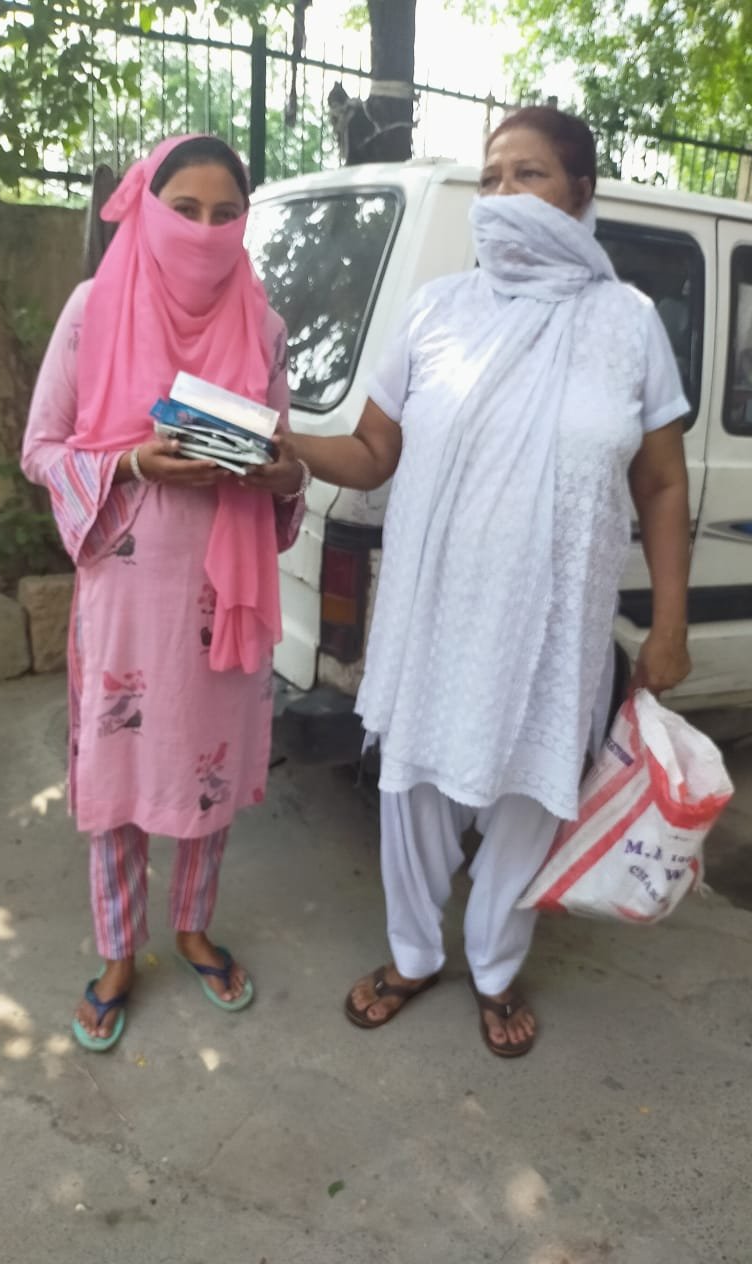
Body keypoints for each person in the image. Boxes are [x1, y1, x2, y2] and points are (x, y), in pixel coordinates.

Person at [255, 107, 692, 1058]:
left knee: (532, 797)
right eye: (490, 177)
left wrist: (670, 624)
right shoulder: (438, 311)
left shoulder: (628, 324)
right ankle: (414, 954)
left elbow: (661, 483)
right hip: (437, 612)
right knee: (412, 788)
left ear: (581, 195)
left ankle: (494, 967)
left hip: (553, 626)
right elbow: (374, 452)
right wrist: (286, 449)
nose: (502, 195)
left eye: (528, 175)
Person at [22, 135, 309, 1051]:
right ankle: (117, 951)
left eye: (226, 214)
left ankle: (191, 927)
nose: (205, 229)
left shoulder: (263, 327)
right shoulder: (93, 308)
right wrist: (134, 464)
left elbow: (285, 457)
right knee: (120, 769)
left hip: (224, 593)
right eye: (185, 209)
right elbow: (40, 449)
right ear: (147, 208)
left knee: (205, 766)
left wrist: (281, 475)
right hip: (127, 594)